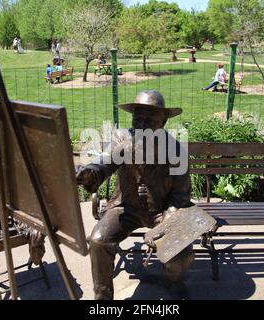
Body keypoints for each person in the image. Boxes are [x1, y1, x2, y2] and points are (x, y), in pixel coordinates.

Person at [76, 90, 195, 300]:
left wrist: (166, 224)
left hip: (162, 211)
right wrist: (92, 172)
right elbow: (106, 160)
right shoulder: (121, 138)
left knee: (181, 253)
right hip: (126, 208)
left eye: (150, 118)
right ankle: (102, 298)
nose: (141, 123)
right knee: (98, 241)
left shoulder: (176, 150)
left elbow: (181, 196)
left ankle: (173, 281)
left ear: (163, 121)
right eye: (138, 117)